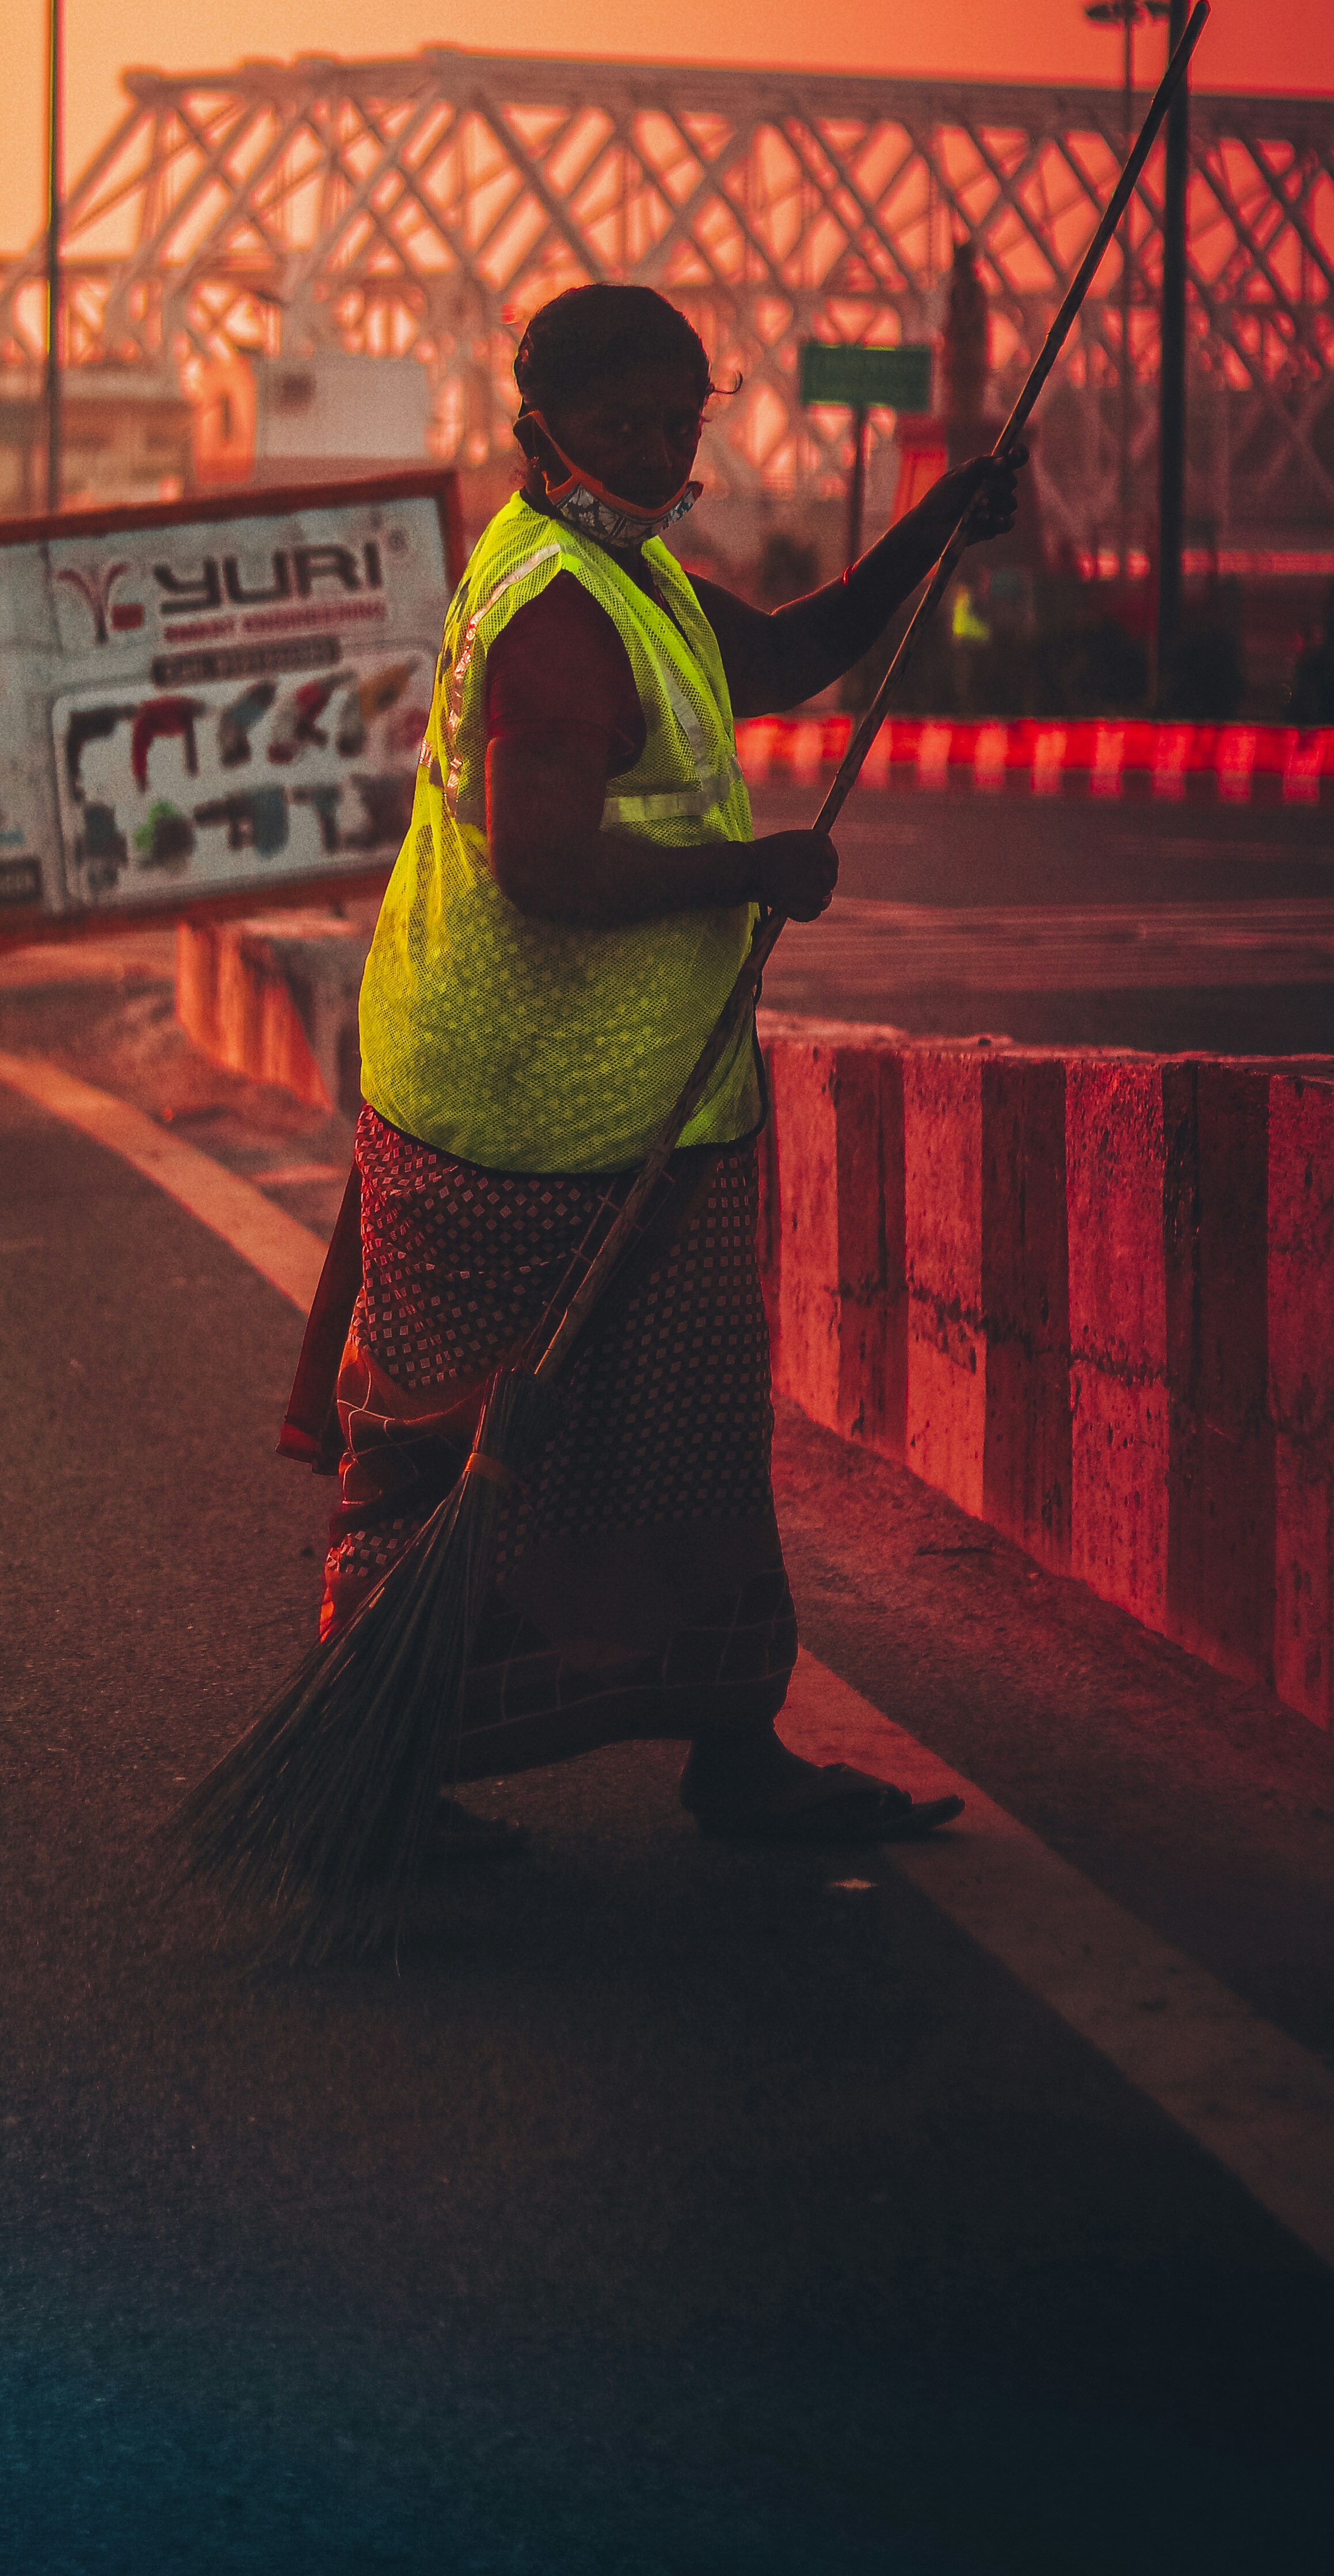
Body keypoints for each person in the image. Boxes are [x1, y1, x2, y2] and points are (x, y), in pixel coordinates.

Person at [281, 281, 1025, 1849]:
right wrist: (744, 877)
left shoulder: (633, 581)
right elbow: (542, 865)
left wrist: (937, 529)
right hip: (514, 1121)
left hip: (627, 1107)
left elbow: (792, 655)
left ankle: (730, 1747)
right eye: (625, 421)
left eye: (683, 418)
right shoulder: (557, 611)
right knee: (445, 1448)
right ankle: (377, 1749)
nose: (659, 447)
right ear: (543, 428)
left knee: (688, 1435)